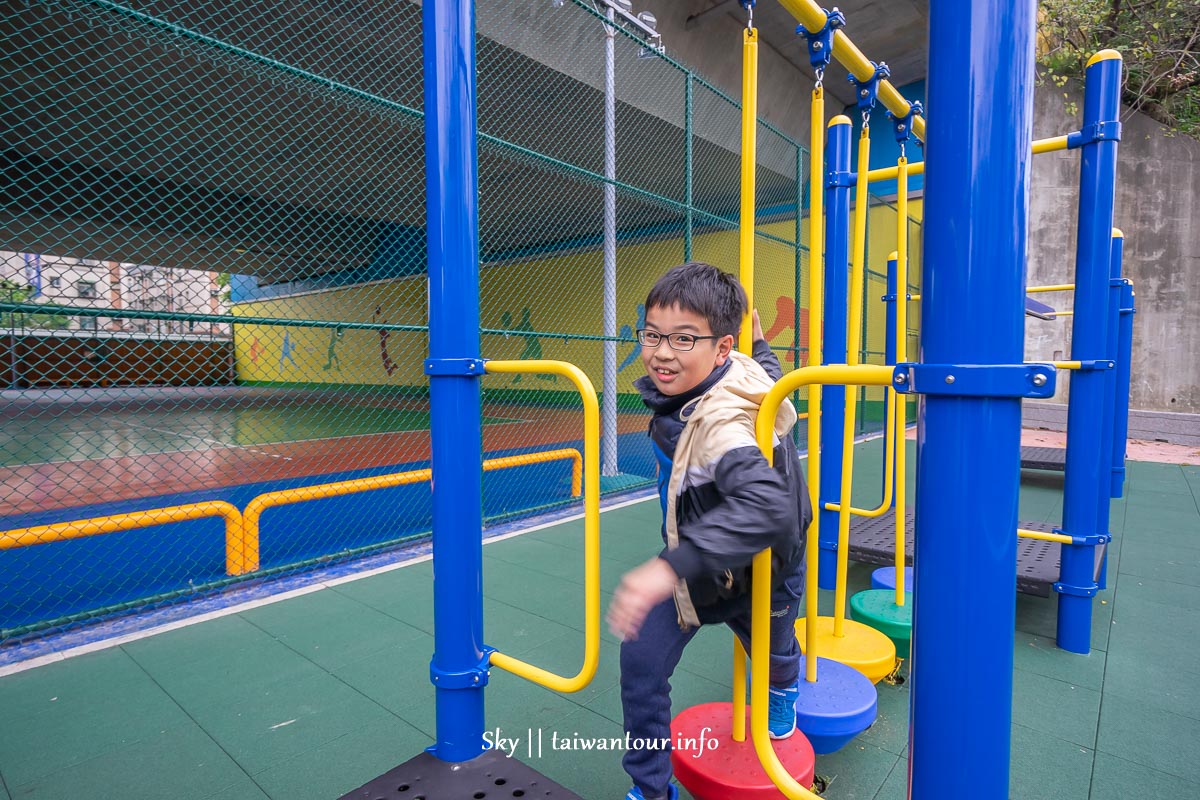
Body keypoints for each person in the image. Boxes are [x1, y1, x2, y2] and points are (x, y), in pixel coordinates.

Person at [606, 262, 812, 800]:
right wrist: (761, 340)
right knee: (641, 660)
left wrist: (663, 568)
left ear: (721, 349)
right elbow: (763, 365)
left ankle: (783, 687)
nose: (662, 353)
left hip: (766, 566)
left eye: (683, 339)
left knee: (774, 649)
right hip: (699, 558)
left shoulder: (720, 422)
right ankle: (651, 789)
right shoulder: (741, 363)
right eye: (652, 335)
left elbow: (769, 506)